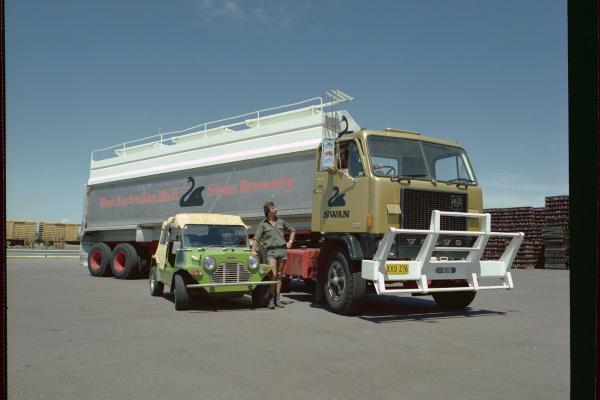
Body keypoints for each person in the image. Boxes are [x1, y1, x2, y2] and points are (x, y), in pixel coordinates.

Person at [251, 201, 295, 309]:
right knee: (273, 275)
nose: (276, 208)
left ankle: (278, 300)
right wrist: (253, 251)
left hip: (282, 250)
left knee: (280, 275)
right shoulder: (263, 224)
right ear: (268, 210)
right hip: (271, 252)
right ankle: (271, 299)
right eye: (273, 207)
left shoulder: (281, 222)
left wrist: (290, 242)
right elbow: (256, 238)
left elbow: (292, 230)